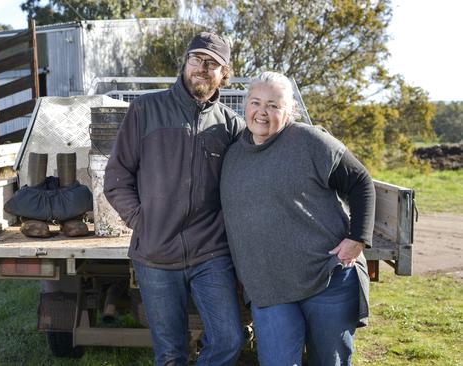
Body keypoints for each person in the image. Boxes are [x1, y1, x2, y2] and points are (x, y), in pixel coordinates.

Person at [104, 32, 245, 365]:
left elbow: (256, 172)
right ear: (185, 62)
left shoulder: (230, 126)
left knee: (228, 340)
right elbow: (117, 177)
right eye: (196, 59)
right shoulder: (145, 110)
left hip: (210, 252)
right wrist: (141, 221)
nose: (202, 68)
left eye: (212, 63)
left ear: (224, 73)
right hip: (155, 255)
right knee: (170, 353)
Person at [220, 71, 375, 366]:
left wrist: (357, 239)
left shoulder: (310, 141)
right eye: (255, 102)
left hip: (326, 276)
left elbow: (360, 182)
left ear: (290, 111)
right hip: (268, 286)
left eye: (274, 105)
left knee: (329, 362)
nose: (262, 112)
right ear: (244, 107)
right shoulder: (232, 155)